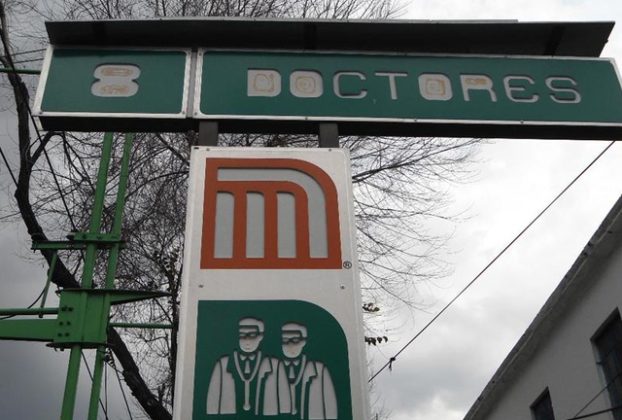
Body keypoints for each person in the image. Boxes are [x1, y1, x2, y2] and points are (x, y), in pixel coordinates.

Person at [206, 317, 291, 416]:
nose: (247, 340)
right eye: (242, 335)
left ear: (260, 336)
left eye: (251, 335)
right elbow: (212, 403)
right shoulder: (223, 364)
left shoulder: (274, 365)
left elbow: (285, 403)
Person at [281, 322, 338, 419]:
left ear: (303, 342)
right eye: (285, 340)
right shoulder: (275, 368)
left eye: (295, 340)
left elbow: (331, 408)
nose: (290, 345)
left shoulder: (318, 370)